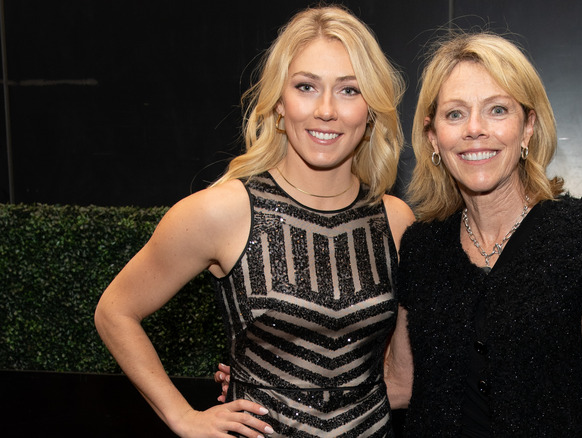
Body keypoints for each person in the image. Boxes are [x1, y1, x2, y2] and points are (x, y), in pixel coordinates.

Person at [95, 5, 414, 438]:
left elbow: (397, 379)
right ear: (279, 104)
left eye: (349, 90)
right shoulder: (221, 211)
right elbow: (115, 310)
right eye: (305, 86)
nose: (325, 110)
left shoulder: (394, 220)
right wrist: (183, 417)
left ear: (371, 110)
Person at [387, 32, 582, 437]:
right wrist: (275, 395)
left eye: (497, 110)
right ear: (433, 136)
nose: (475, 129)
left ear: (528, 127)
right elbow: (399, 384)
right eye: (455, 114)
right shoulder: (422, 248)